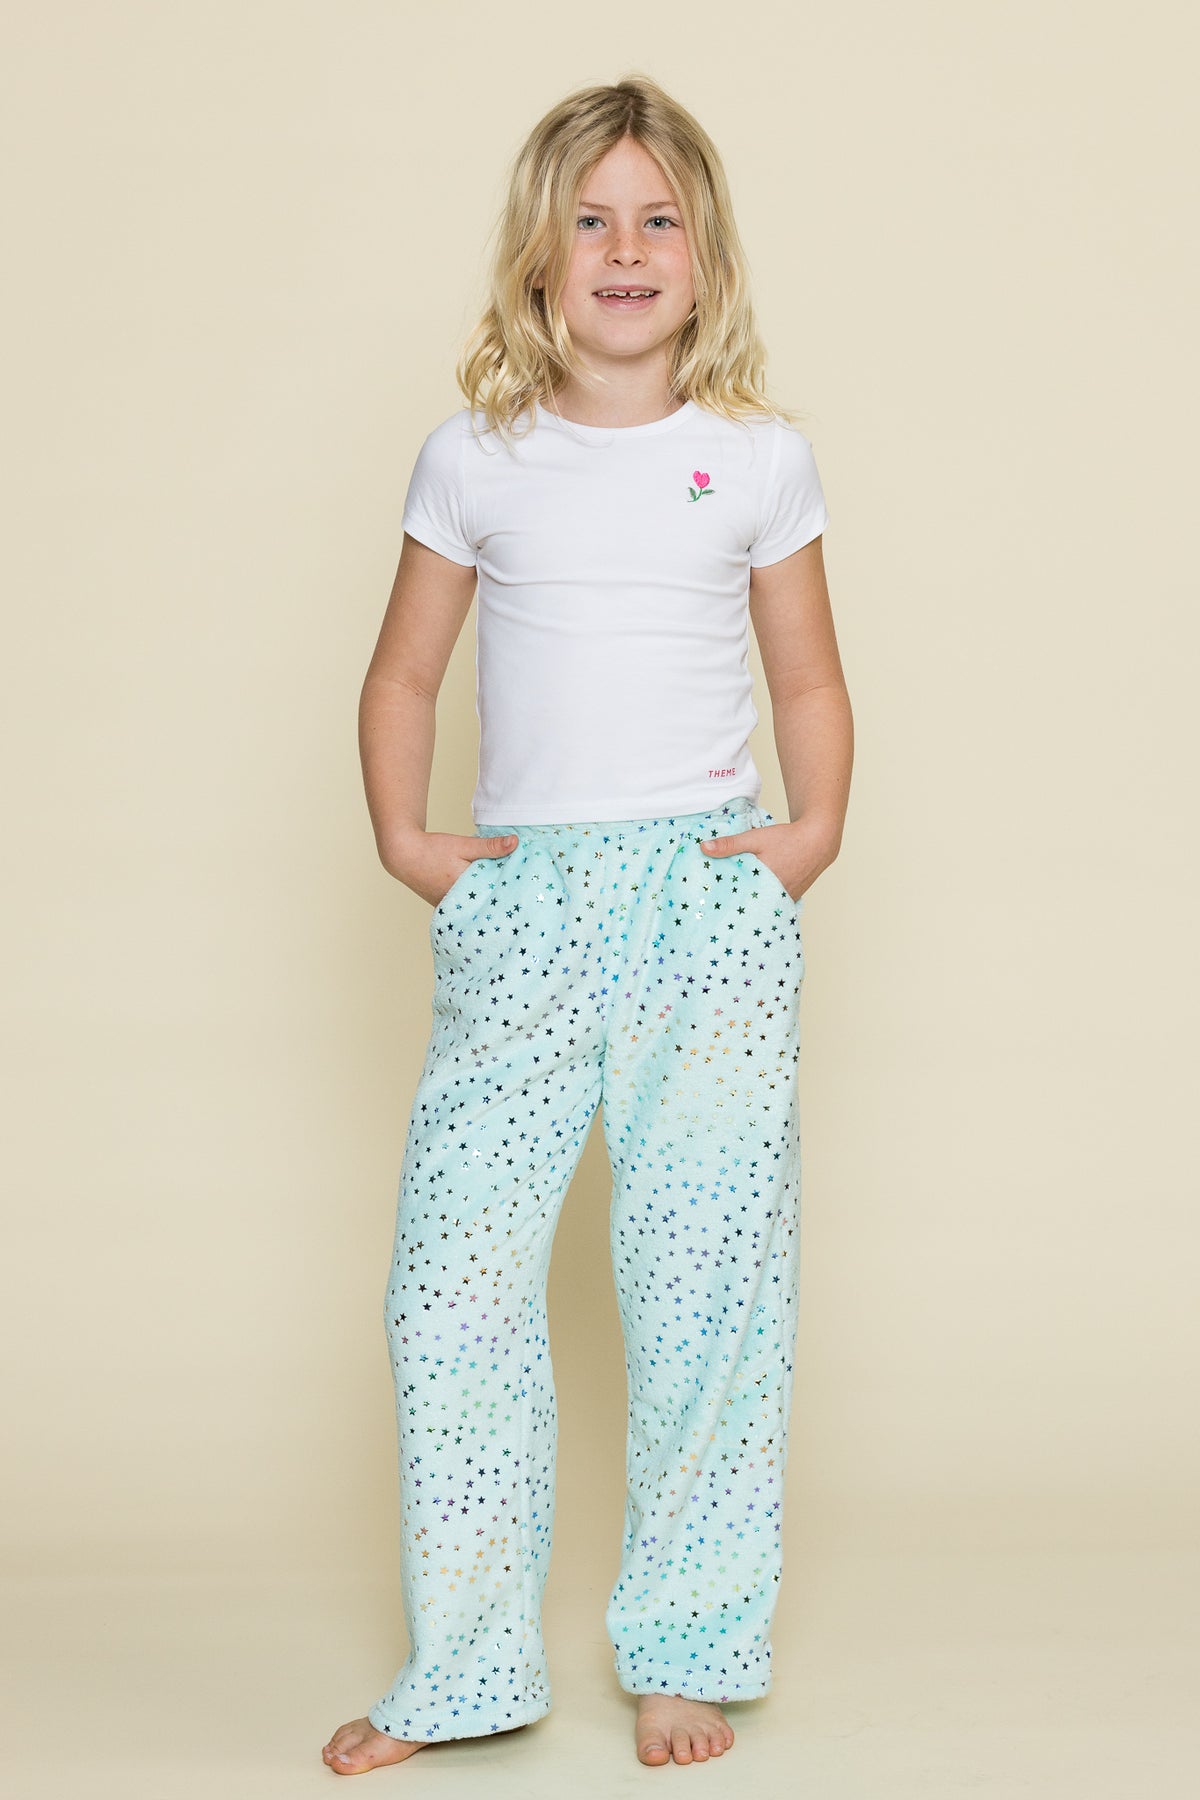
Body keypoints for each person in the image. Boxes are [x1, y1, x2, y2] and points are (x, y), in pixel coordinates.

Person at [323, 72, 853, 1776]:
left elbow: (806, 676)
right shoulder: (475, 457)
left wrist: (806, 836)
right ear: (538, 258)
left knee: (705, 1284)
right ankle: (472, 1662)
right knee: (454, 1284)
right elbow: (404, 674)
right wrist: (411, 842)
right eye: (590, 220)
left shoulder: (756, 459)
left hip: (705, 899)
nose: (625, 250)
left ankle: (686, 1644)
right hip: (528, 897)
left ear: (706, 258)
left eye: (658, 220)